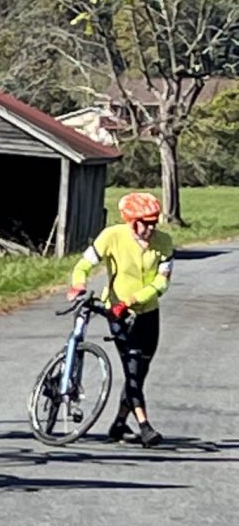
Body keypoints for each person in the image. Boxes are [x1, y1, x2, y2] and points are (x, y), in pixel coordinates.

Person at [69, 191, 174, 447]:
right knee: (133, 368)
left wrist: (134, 300)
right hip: (117, 312)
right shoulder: (112, 236)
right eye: (145, 222)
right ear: (131, 221)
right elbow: (83, 265)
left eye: (154, 222)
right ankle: (145, 426)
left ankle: (118, 424)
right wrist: (78, 286)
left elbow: (162, 282)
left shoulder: (164, 242)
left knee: (140, 371)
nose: (150, 228)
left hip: (147, 312)